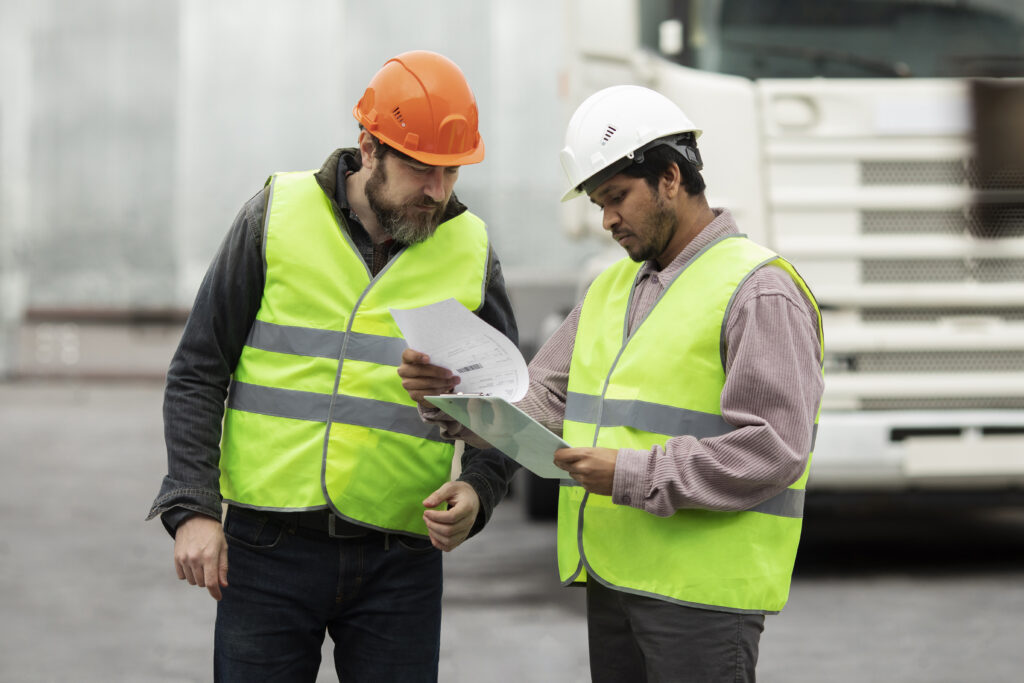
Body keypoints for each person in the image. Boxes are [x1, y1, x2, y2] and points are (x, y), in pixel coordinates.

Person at [398, 84, 825, 682]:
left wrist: (628, 473)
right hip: (616, 583)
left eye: (618, 197)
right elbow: (540, 401)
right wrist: (450, 398)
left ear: (671, 177)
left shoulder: (758, 289)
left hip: (702, 597)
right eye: (599, 203)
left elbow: (772, 450)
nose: (608, 220)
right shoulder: (609, 289)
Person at [147, 50, 519, 682]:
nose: (437, 190)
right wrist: (194, 507)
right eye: (418, 167)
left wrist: (479, 489)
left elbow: (507, 402)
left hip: (401, 557)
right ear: (368, 146)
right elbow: (199, 369)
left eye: (451, 171)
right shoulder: (276, 216)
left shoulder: (470, 249)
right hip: (266, 551)